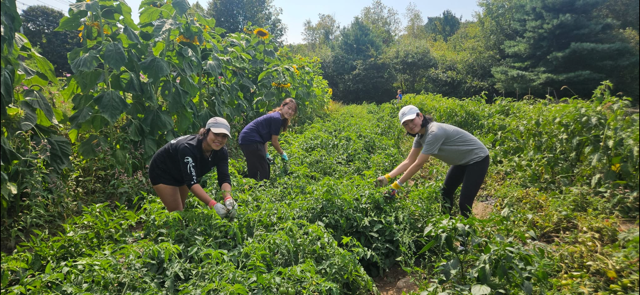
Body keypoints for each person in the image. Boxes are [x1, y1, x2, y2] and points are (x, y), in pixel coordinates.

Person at [376, 105, 490, 218]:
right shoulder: (420, 137)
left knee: (465, 203)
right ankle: (447, 224)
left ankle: (467, 231)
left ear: (420, 116)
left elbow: (418, 164)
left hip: (477, 159)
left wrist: (396, 185)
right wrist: (387, 177)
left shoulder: (434, 132)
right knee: (445, 193)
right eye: (406, 124)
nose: (410, 125)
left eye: (412, 120)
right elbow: (409, 160)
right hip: (461, 161)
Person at [149, 117, 236, 218]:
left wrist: (228, 198)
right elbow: (192, 183)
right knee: (176, 213)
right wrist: (213, 204)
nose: (219, 139)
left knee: (181, 210)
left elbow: (224, 177)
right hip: (163, 171)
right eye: (216, 134)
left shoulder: (221, 152)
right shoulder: (188, 148)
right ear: (206, 132)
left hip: (182, 172)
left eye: (224, 136)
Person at [238, 98, 298, 181]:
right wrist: (282, 153)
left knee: (255, 167)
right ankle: (261, 189)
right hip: (250, 139)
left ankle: (251, 187)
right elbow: (274, 142)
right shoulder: (277, 119)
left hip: (247, 139)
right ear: (282, 106)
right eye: (289, 108)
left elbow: (265, 137)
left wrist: (266, 154)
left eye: (293, 111)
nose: (290, 112)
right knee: (264, 169)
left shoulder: (278, 117)